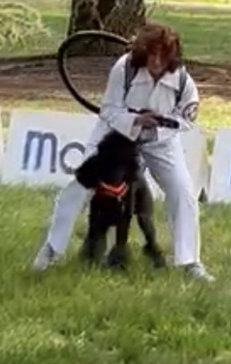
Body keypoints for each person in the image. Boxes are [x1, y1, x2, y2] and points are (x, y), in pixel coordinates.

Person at [32, 22, 214, 282]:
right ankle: (51, 248)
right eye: (152, 56)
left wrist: (159, 123)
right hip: (114, 135)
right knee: (79, 186)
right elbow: (108, 110)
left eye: (163, 57)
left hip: (160, 140)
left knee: (183, 191)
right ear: (143, 54)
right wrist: (136, 120)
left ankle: (189, 261)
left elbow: (187, 119)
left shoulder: (183, 81)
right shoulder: (124, 68)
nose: (157, 63)